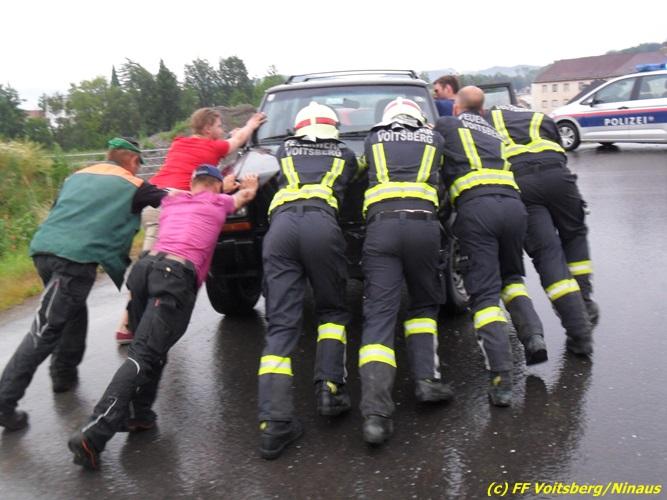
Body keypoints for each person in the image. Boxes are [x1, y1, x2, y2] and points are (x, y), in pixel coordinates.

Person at [68, 165, 259, 470]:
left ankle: (139, 414)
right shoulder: (219, 201)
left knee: (152, 349)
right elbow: (245, 196)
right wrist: (249, 184)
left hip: (144, 271)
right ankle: (94, 433)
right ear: (216, 186)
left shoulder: (175, 200)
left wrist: (219, 185)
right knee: (144, 353)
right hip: (174, 276)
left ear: (192, 183)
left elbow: (198, 190)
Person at [0, 138, 168, 431]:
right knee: (45, 329)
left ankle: (63, 376)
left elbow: (60, 210)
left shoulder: (77, 176)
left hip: (44, 251)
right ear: (132, 160)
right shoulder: (134, 184)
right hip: (74, 261)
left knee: (73, 312)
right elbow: (173, 199)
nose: (138, 169)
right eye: (138, 164)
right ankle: (5, 401)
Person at [115, 107, 266, 344]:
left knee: (153, 265)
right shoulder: (213, 147)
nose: (222, 130)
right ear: (207, 128)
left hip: (154, 200)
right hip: (169, 204)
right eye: (219, 126)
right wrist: (252, 124)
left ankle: (142, 322)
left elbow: (204, 160)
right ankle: (128, 326)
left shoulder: (180, 143)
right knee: (154, 268)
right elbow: (237, 141)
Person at [257, 102, 357, 460]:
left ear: (298, 129)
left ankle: (273, 424)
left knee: (281, 324)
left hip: (280, 229)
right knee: (331, 311)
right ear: (333, 128)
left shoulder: (283, 150)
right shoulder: (346, 154)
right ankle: (330, 390)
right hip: (320, 225)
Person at [434, 87, 546, 408]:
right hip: (512, 207)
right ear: (482, 111)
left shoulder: (447, 124)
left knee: (484, 295)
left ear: (456, 108)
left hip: (477, 209)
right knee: (511, 278)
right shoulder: (492, 130)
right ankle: (533, 337)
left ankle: (502, 380)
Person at [357, 97, 453, 447]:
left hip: (381, 228)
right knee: (424, 305)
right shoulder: (434, 139)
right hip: (423, 227)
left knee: (380, 315)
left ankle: (376, 416)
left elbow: (361, 170)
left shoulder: (372, 139)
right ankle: (427, 382)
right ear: (418, 118)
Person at [488, 104, 597, 352]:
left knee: (548, 252)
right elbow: (558, 146)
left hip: (520, 182)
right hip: (558, 176)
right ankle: (585, 301)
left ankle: (580, 333)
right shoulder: (539, 115)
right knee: (575, 234)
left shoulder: (486, 120)